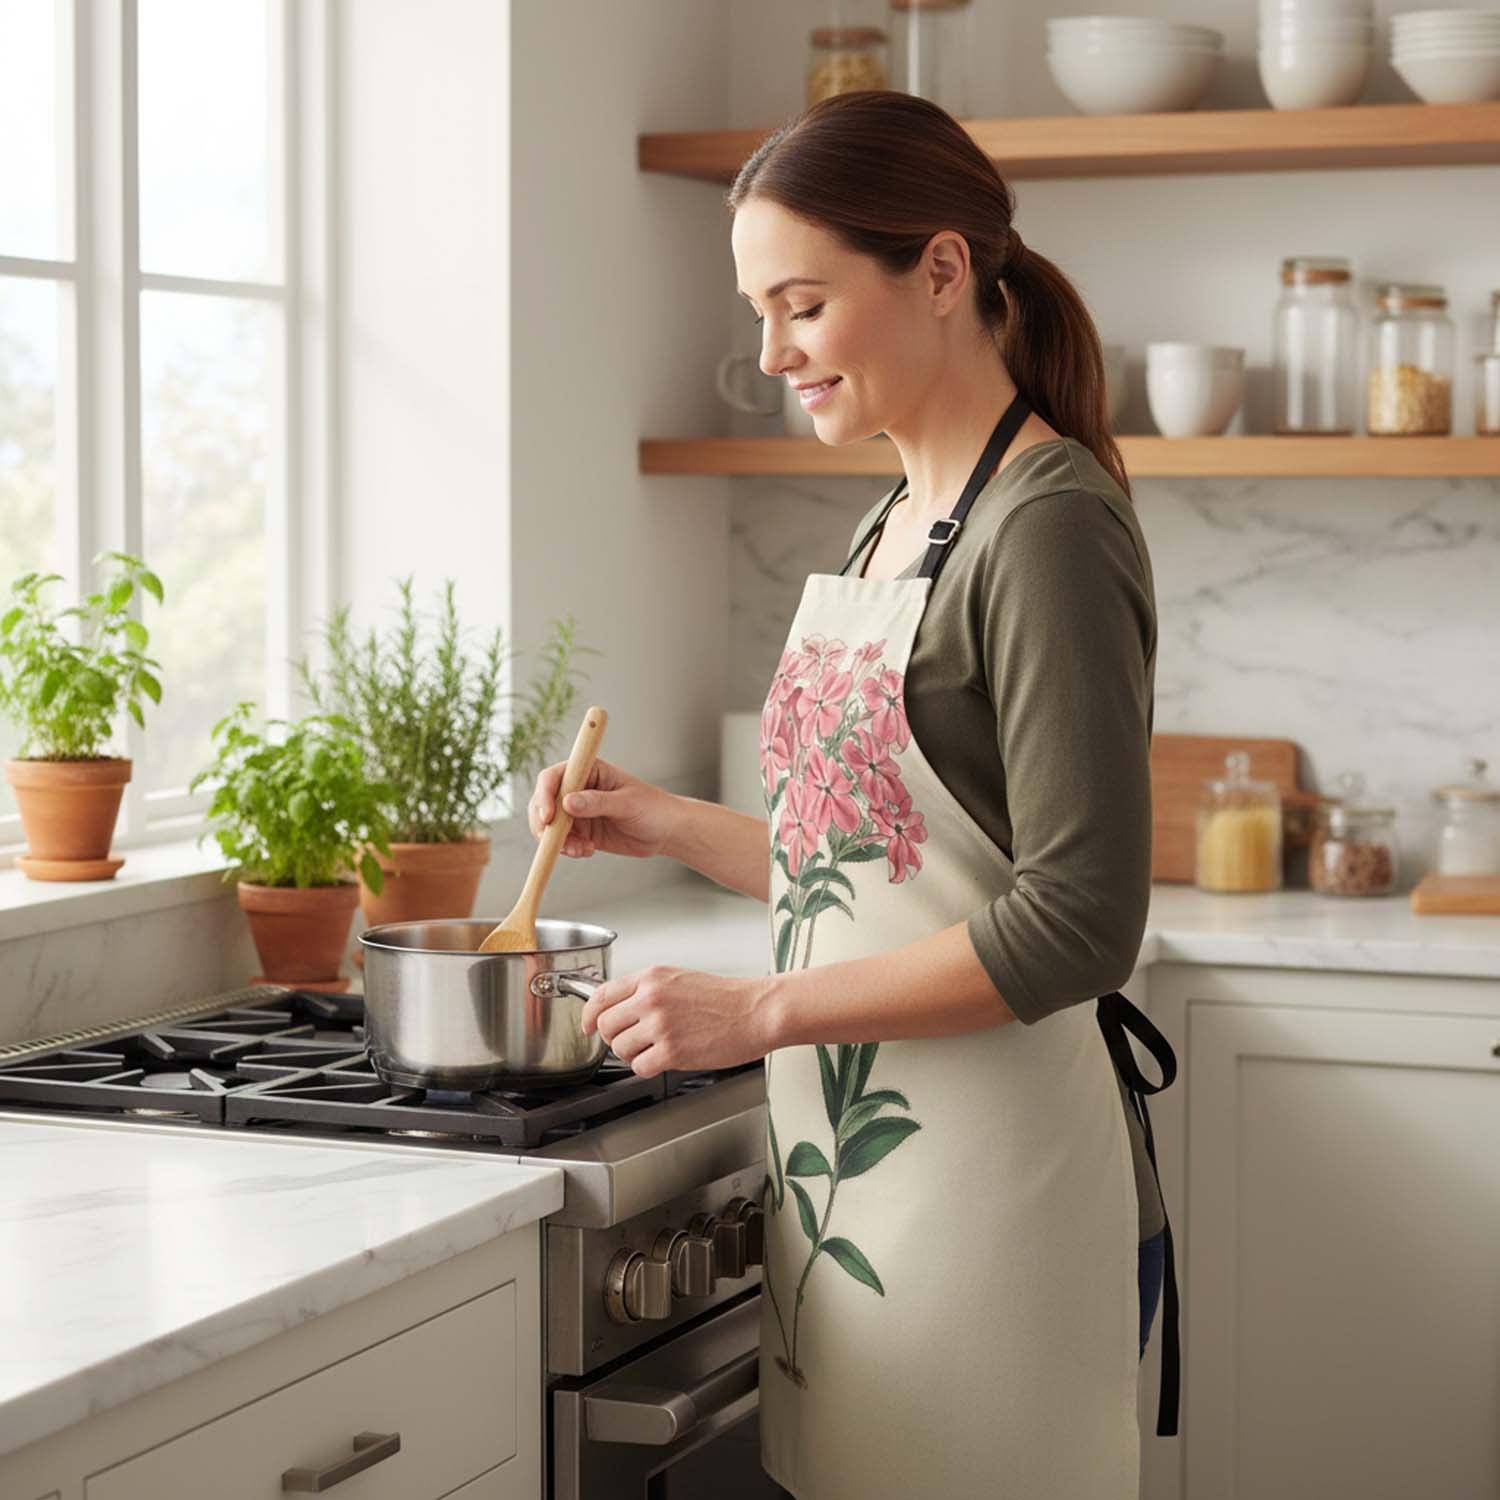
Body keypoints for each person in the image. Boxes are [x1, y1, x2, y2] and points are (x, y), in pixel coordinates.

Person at [528, 89, 1177, 1500]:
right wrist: (665, 823)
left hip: (985, 1191)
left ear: (940, 272)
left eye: (802, 305)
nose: (772, 355)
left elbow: (1077, 921)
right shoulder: (896, 516)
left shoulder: (1045, 525)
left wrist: (755, 1013)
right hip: (854, 1184)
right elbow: (881, 870)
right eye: (760, 311)